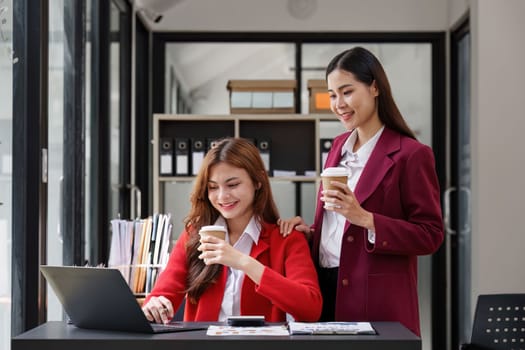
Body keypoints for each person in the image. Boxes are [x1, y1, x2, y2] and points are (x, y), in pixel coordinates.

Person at [278, 47, 444, 336]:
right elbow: (339, 225)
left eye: (347, 91)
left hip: (374, 300)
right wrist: (311, 233)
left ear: (375, 87)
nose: (338, 103)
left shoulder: (411, 154)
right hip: (324, 289)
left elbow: (430, 235)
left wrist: (367, 219)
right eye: (332, 95)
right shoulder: (337, 148)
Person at [143, 137, 322, 324]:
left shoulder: (286, 238)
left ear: (257, 181)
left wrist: (242, 262)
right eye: (212, 187)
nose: (222, 196)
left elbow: (310, 309)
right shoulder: (194, 235)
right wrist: (155, 305)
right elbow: (162, 295)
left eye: (233, 185)